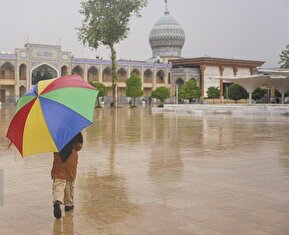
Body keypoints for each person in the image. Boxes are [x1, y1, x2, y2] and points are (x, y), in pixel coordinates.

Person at [51, 132, 83, 219]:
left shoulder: (55, 130)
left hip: (59, 157)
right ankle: (68, 204)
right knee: (69, 182)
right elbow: (79, 147)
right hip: (71, 159)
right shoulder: (76, 130)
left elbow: (52, 145)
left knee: (59, 181)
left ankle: (57, 200)